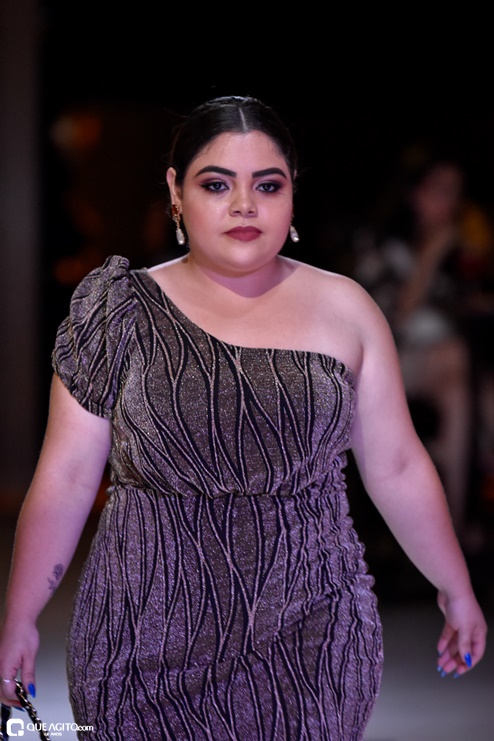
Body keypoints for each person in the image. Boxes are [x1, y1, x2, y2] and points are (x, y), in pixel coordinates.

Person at [0, 97, 487, 740]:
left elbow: (396, 465)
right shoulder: (117, 311)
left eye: (267, 185)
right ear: (175, 192)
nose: (244, 206)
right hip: (140, 640)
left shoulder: (345, 310)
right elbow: (65, 478)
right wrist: (20, 617)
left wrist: (455, 586)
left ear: (292, 194)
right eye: (216, 184)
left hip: (313, 638)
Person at [354, 159, 494, 544]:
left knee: (471, 394)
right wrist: (432, 253)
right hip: (389, 362)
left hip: (446, 365)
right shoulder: (383, 244)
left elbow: (460, 307)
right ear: (415, 195)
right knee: (457, 358)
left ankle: (455, 527)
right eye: (441, 191)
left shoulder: (457, 251)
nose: (452, 202)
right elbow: (395, 317)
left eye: (456, 193)